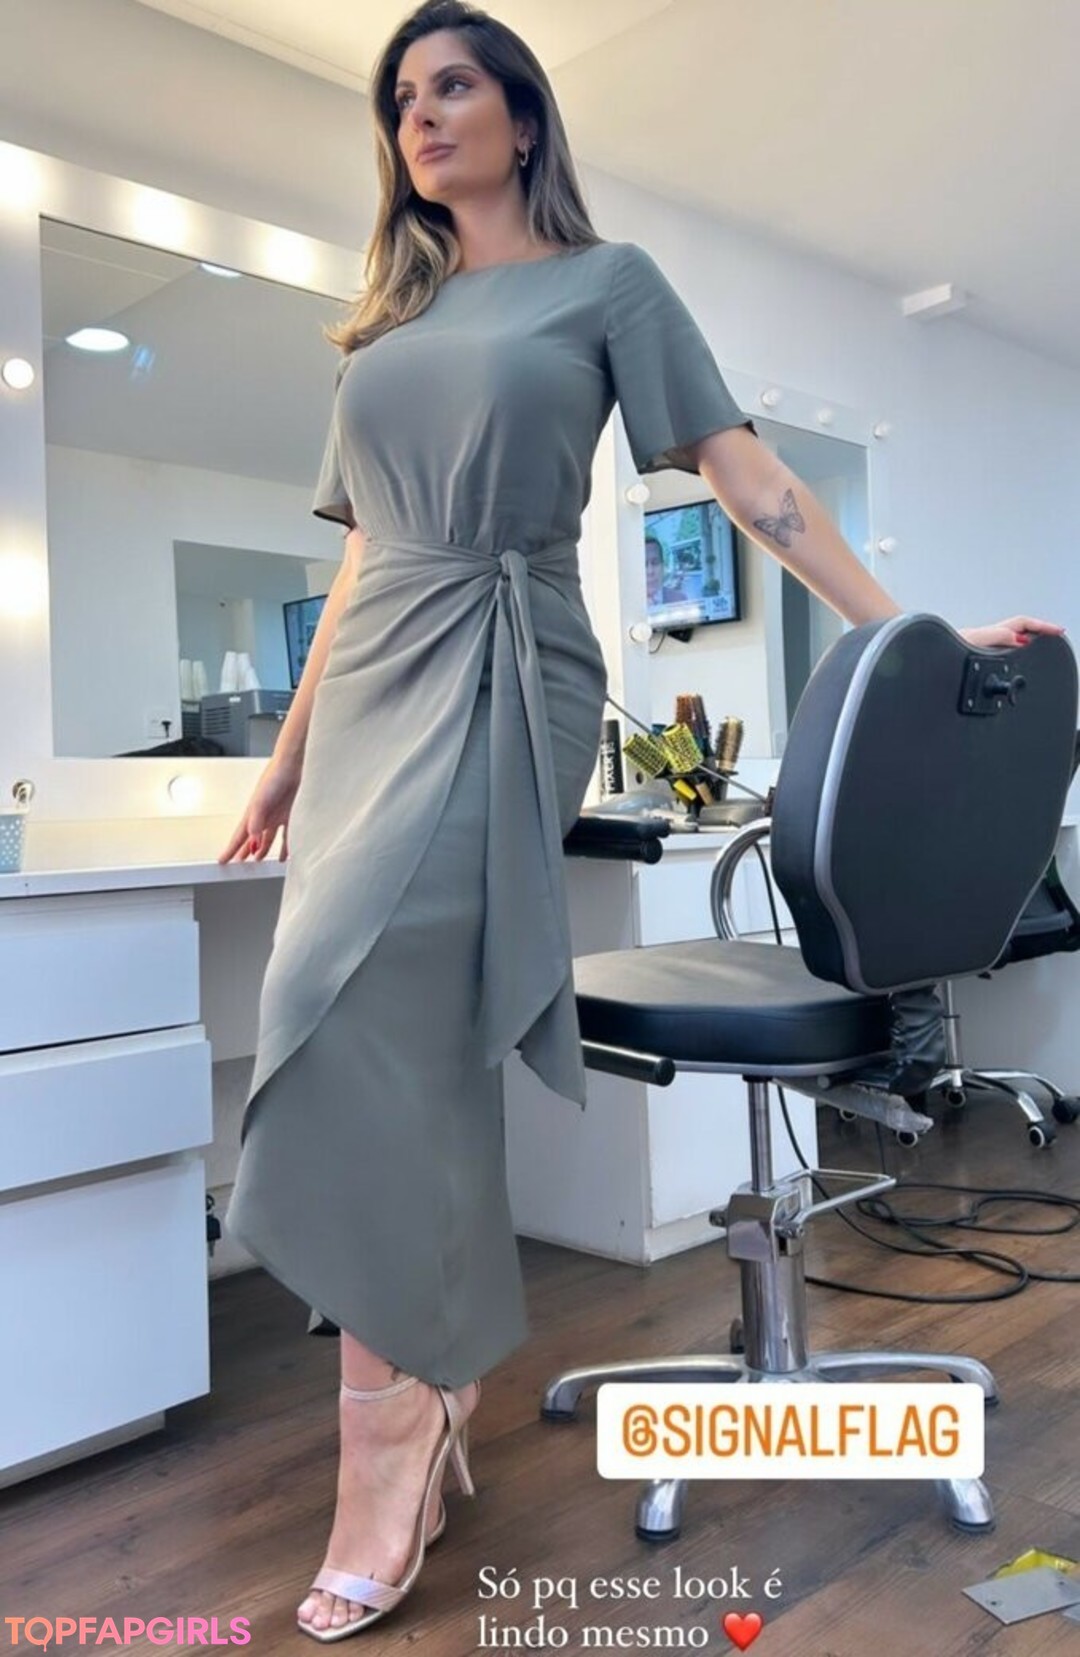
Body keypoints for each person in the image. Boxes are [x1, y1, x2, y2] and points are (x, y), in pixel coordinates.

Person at [216, 0, 1064, 1641]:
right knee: (341, 1009)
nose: (420, 116)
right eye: (400, 99)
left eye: (452, 86)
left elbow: (757, 486)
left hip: (504, 661)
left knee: (375, 1010)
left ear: (523, 117)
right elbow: (356, 556)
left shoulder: (608, 286)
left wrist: (915, 634)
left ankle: (387, 1424)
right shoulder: (386, 325)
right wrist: (285, 759)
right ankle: (424, 1376)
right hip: (379, 672)